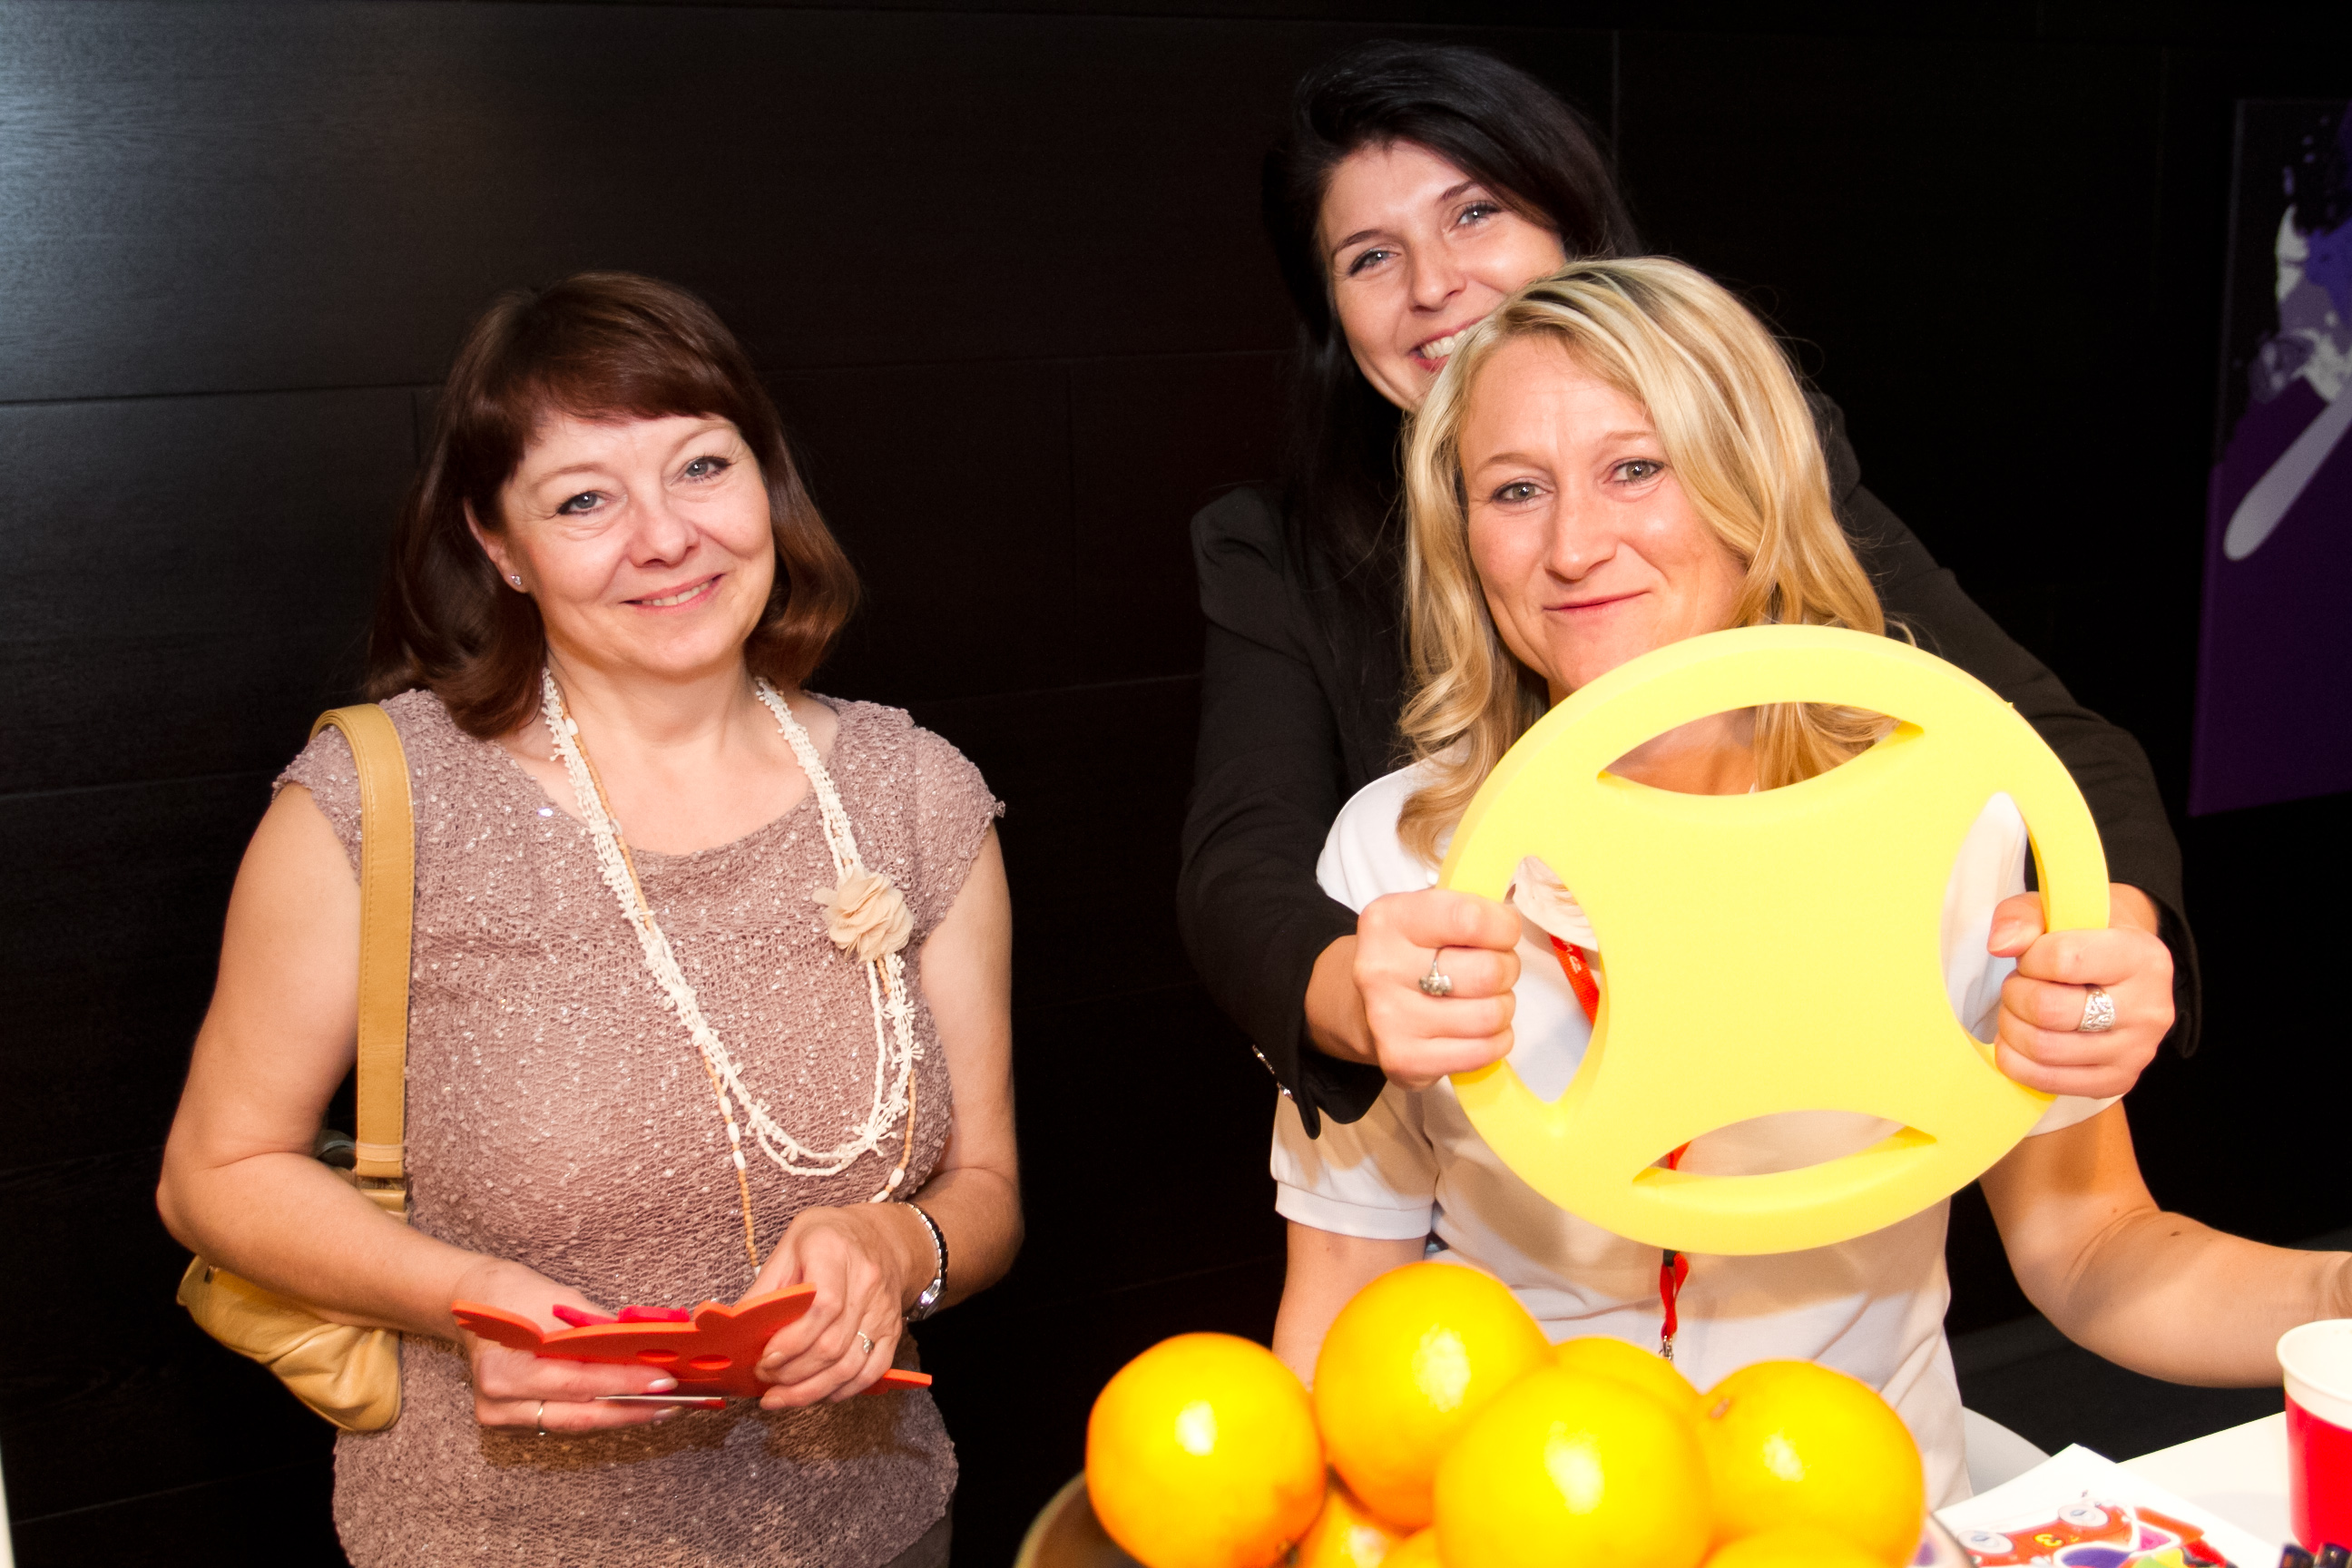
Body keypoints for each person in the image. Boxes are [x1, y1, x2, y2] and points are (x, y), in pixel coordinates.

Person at [1265, 257, 2351, 1506]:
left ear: (1756, 487)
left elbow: (2093, 1246)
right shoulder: (1394, 858)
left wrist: (2337, 1294)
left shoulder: (1951, 820)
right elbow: (1342, 1303)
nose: (1574, 546)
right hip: (1539, 1516)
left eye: (1637, 468)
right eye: (1516, 490)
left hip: (1868, 1510)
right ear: (1464, 539)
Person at [156, 273, 1020, 1568]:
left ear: (767, 482)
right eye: (582, 500)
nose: (666, 537)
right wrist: (464, 1300)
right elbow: (213, 1174)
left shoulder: (916, 795)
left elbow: (989, 1193)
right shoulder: (378, 800)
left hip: (880, 1533)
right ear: (498, 544)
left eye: (702, 466)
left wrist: (897, 1246)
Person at [1180, 42, 2190, 1137]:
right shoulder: (1280, 560)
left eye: (1474, 214)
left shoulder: (1750, 465)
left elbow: (2042, 741)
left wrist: (2105, 948)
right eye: (1371, 256)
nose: (1432, 286)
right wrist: (1363, 998)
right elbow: (1242, 865)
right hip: (1508, 1111)